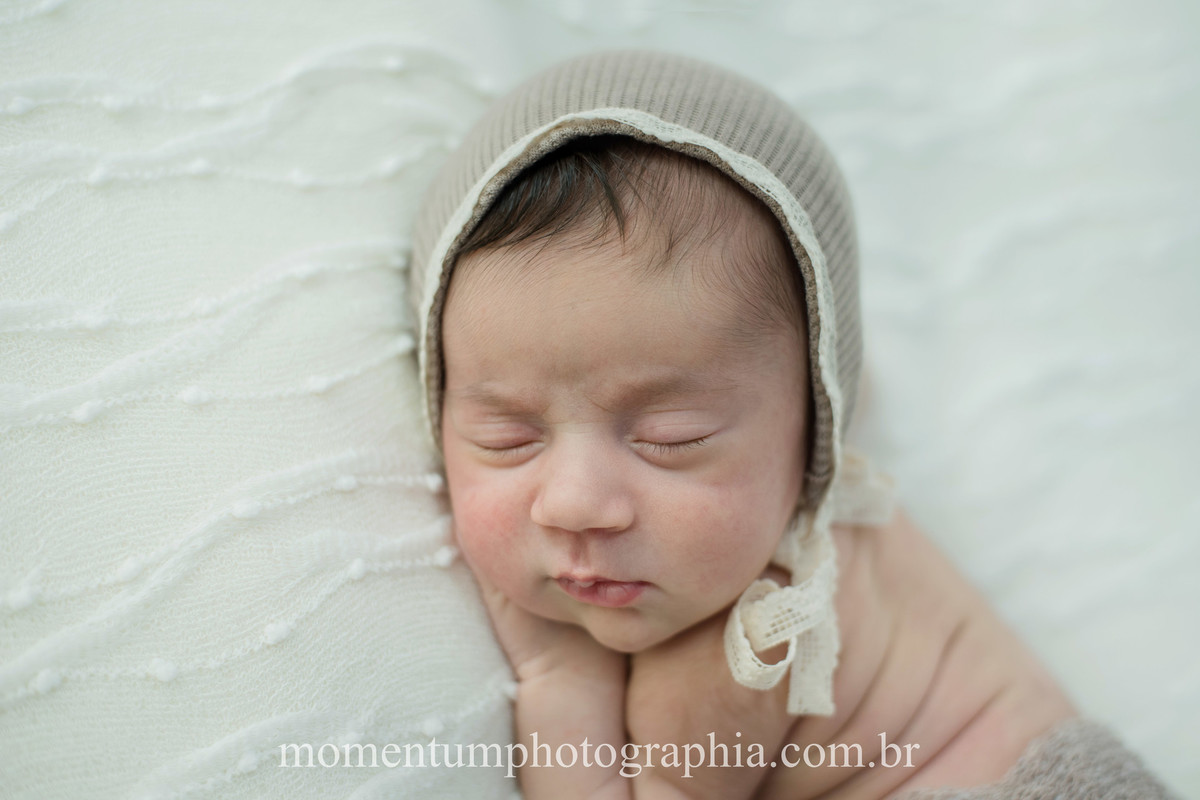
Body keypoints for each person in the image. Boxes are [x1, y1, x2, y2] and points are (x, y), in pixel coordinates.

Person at [408, 50, 1177, 799]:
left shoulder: (750, 640)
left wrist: (557, 674)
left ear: (818, 422)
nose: (574, 503)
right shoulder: (773, 464)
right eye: (507, 437)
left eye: (670, 437)